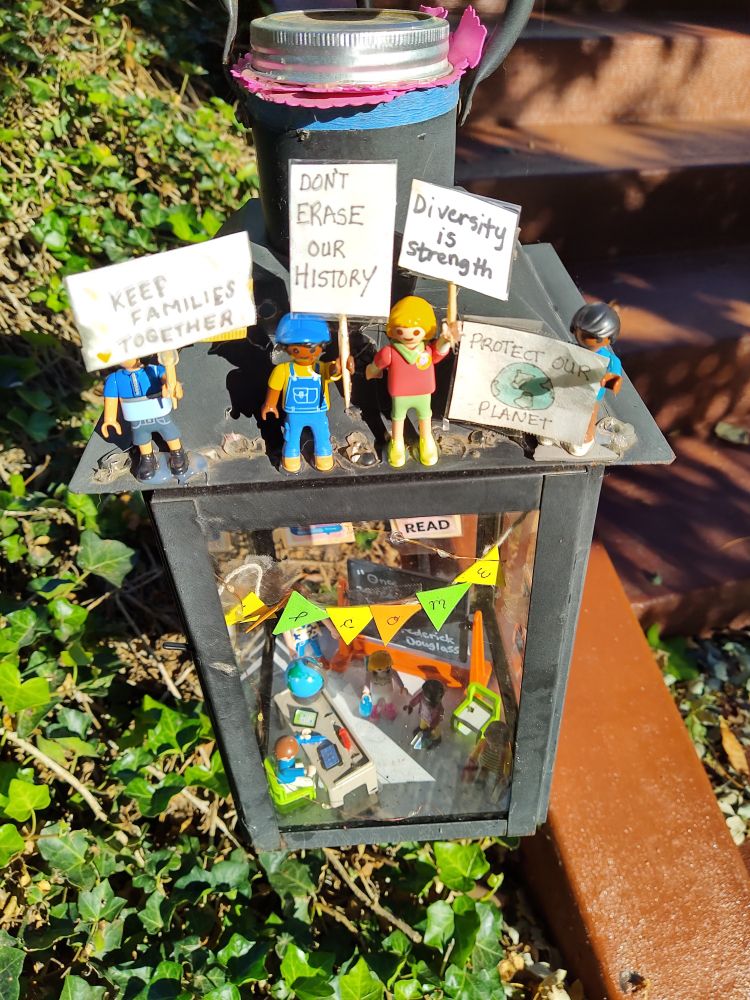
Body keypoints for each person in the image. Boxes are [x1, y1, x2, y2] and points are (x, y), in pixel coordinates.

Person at [365, 297, 461, 468]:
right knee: (401, 418)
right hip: (404, 394)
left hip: (421, 393)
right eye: (401, 331)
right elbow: (377, 364)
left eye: (416, 332)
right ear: (393, 331)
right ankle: (399, 446)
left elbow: (439, 351)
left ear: (427, 330)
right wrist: (372, 371)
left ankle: (424, 442)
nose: (408, 336)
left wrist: (446, 340)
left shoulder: (425, 351)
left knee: (422, 417)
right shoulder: (391, 352)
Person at [261, 313, 354, 474]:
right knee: (292, 436)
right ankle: (291, 460)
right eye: (296, 349)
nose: (305, 353)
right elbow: (274, 387)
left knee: (322, 435)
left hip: (318, 413)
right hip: (294, 414)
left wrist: (339, 367)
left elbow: (331, 372)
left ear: (321, 347)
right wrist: (270, 404)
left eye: (312, 348)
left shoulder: (321, 367)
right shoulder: (283, 370)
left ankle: (324, 458)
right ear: (286, 347)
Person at [101, 357, 188, 482]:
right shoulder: (115, 379)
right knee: (142, 438)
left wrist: (172, 384)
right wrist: (110, 419)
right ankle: (147, 459)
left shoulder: (154, 370)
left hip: (158, 410)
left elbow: (167, 379)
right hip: (136, 416)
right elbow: (111, 399)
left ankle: (177, 453)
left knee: (170, 433)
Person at [565, 301, 623, 456]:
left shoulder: (609, 359)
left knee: (589, 417)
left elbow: (614, 380)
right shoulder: (572, 349)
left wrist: (607, 382)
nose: (585, 339)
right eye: (580, 332)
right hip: (570, 390)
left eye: (594, 337)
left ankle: (586, 438)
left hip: (592, 396)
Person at [365, 649, 406, 721]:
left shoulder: (391, 671)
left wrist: (401, 686)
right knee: (374, 702)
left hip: (388, 691)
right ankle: (374, 710)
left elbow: (396, 678)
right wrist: (366, 690)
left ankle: (389, 709)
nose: (384, 670)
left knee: (389, 701)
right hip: (375, 691)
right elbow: (367, 681)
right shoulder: (371, 673)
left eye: (387, 667)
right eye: (380, 669)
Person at [405, 678, 445, 749]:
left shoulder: (437, 706)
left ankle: (436, 740)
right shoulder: (423, 695)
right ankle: (422, 729)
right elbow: (416, 699)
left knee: (434, 732)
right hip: (423, 716)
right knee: (422, 725)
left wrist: (437, 721)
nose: (423, 694)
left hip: (433, 723)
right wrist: (411, 705)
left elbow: (441, 712)